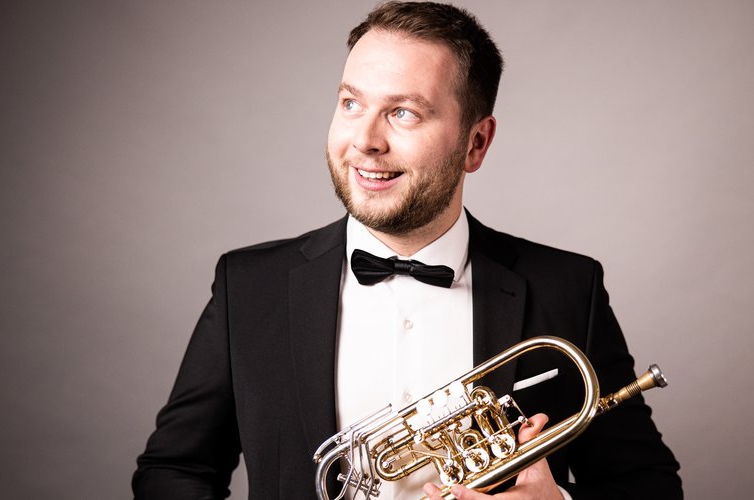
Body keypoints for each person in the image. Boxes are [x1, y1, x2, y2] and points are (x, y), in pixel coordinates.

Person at [133, 2, 681, 499]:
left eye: (404, 113)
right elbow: (173, 472)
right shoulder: (250, 286)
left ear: (476, 143)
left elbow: (649, 486)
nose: (365, 140)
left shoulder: (567, 288)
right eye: (351, 103)